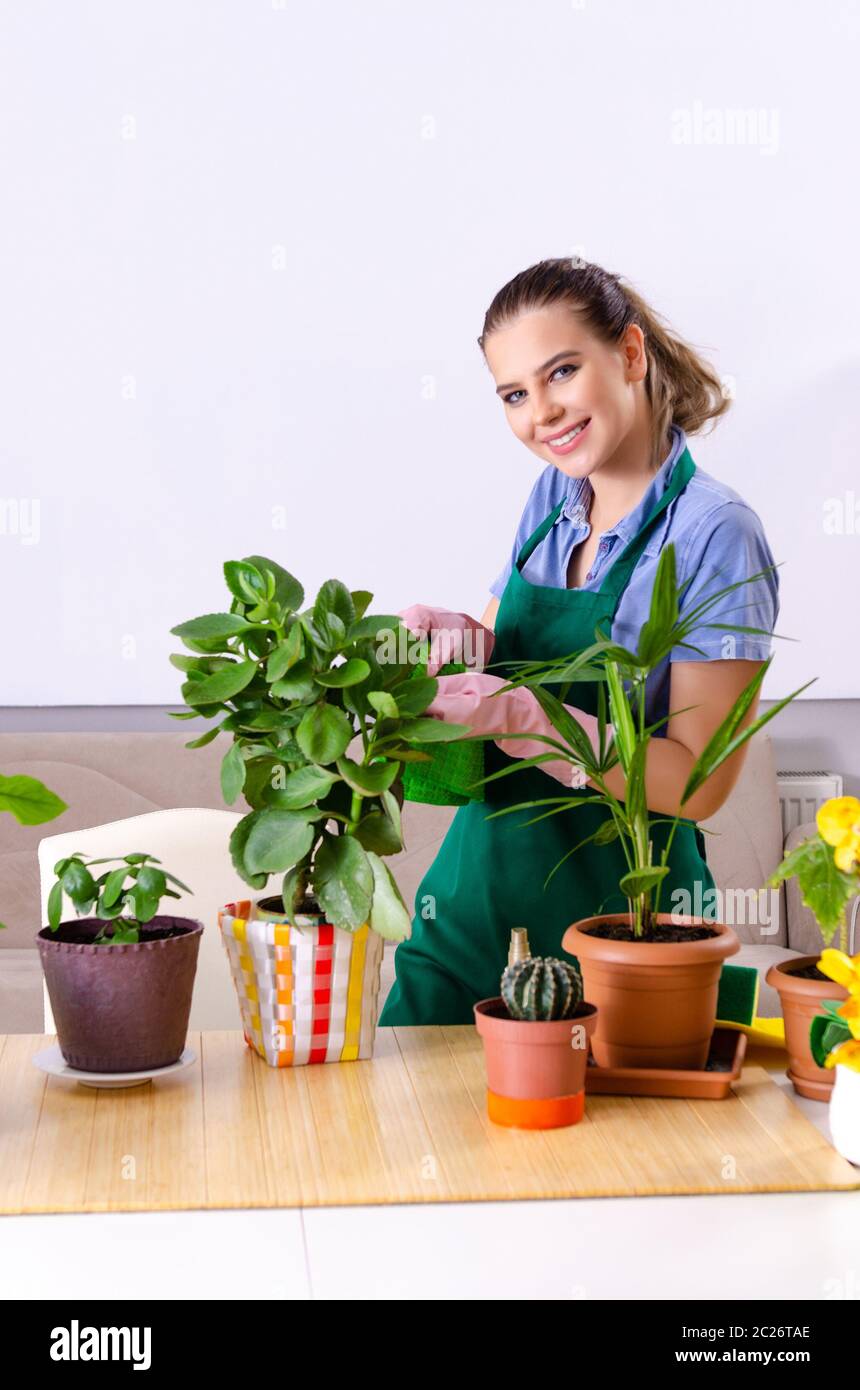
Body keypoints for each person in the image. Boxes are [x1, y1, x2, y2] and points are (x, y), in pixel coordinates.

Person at [378, 258, 779, 1026]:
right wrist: (463, 639)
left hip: (622, 931)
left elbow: (699, 785)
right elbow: (504, 655)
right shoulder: (557, 496)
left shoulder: (713, 534)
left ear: (629, 354)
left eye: (562, 372)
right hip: (470, 911)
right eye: (514, 395)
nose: (543, 414)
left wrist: (530, 719)